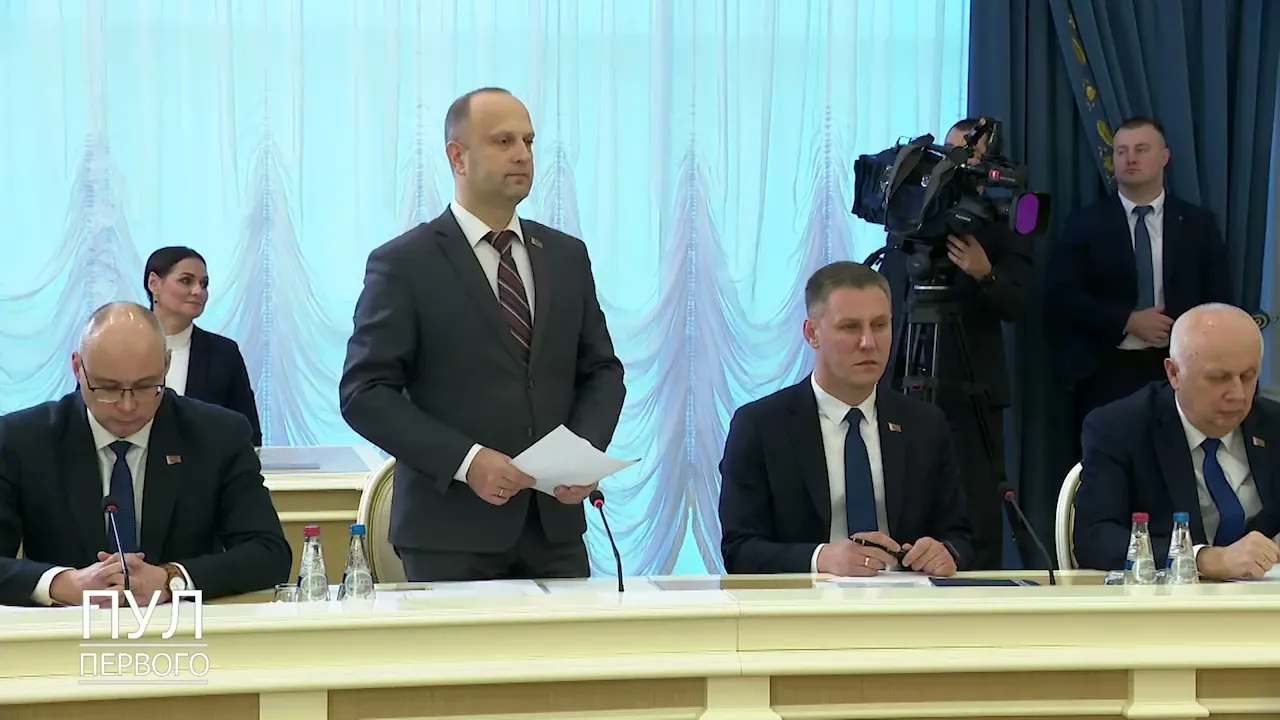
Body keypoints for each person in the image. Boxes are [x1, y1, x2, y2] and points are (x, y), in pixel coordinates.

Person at [339, 87, 625, 582]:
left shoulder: (566, 256)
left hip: (554, 529)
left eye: (528, 141)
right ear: (458, 157)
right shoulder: (405, 263)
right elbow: (365, 392)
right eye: (503, 141)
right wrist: (466, 462)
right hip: (449, 534)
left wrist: (582, 453)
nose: (522, 154)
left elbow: (601, 371)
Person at [0, 302, 290, 607]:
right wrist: (62, 584)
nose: (127, 406)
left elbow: (269, 553)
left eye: (145, 386)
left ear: (166, 365)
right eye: (107, 388)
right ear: (77, 369)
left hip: (184, 629)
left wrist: (171, 579)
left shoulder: (218, 435)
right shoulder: (23, 439)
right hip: (64, 629)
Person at [719, 262, 971, 576]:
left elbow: (960, 535)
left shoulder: (925, 425)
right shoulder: (760, 426)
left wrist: (946, 553)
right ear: (812, 333)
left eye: (880, 325)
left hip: (906, 599)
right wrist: (821, 559)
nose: (868, 342)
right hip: (808, 602)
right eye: (850, 327)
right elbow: (739, 550)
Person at [879, 117, 1032, 570]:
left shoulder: (1002, 225)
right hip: (904, 375)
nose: (957, 162)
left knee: (974, 504)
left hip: (970, 389)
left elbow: (1018, 304)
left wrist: (986, 274)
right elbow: (890, 295)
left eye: (968, 154)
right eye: (949, 152)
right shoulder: (912, 217)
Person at [1046, 117, 1231, 456]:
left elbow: (1220, 301)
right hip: (1106, 370)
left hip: (1180, 371)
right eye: (1121, 151)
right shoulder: (1085, 222)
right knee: (1108, 467)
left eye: (1141, 149)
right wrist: (1127, 320)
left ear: (1164, 157)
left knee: (1175, 466)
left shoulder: (1198, 225)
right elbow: (1061, 296)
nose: (1130, 159)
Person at [1072, 303, 1279, 580]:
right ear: (1174, 373)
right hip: (1165, 599)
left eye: (1248, 376)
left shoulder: (1273, 425)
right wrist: (1201, 558)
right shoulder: (1120, 427)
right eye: (1219, 378)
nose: (1238, 394)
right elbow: (1095, 538)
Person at [144, 246, 262, 446]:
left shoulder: (224, 354)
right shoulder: (118, 346)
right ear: (154, 283)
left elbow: (248, 433)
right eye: (186, 281)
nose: (198, 291)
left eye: (204, 284)